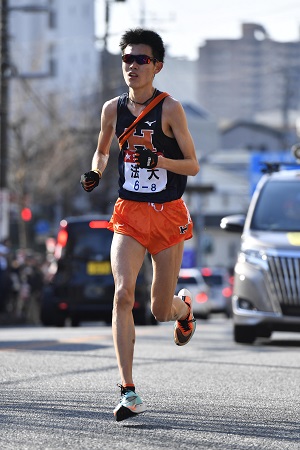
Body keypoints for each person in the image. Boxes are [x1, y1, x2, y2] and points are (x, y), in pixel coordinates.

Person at [80, 28, 200, 422]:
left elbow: (192, 166)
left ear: (157, 67)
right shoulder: (112, 109)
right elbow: (101, 150)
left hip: (167, 216)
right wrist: (95, 172)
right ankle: (128, 392)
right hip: (129, 213)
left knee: (160, 310)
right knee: (121, 294)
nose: (132, 66)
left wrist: (158, 162)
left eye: (141, 60)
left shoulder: (171, 109)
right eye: (127, 59)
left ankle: (185, 311)